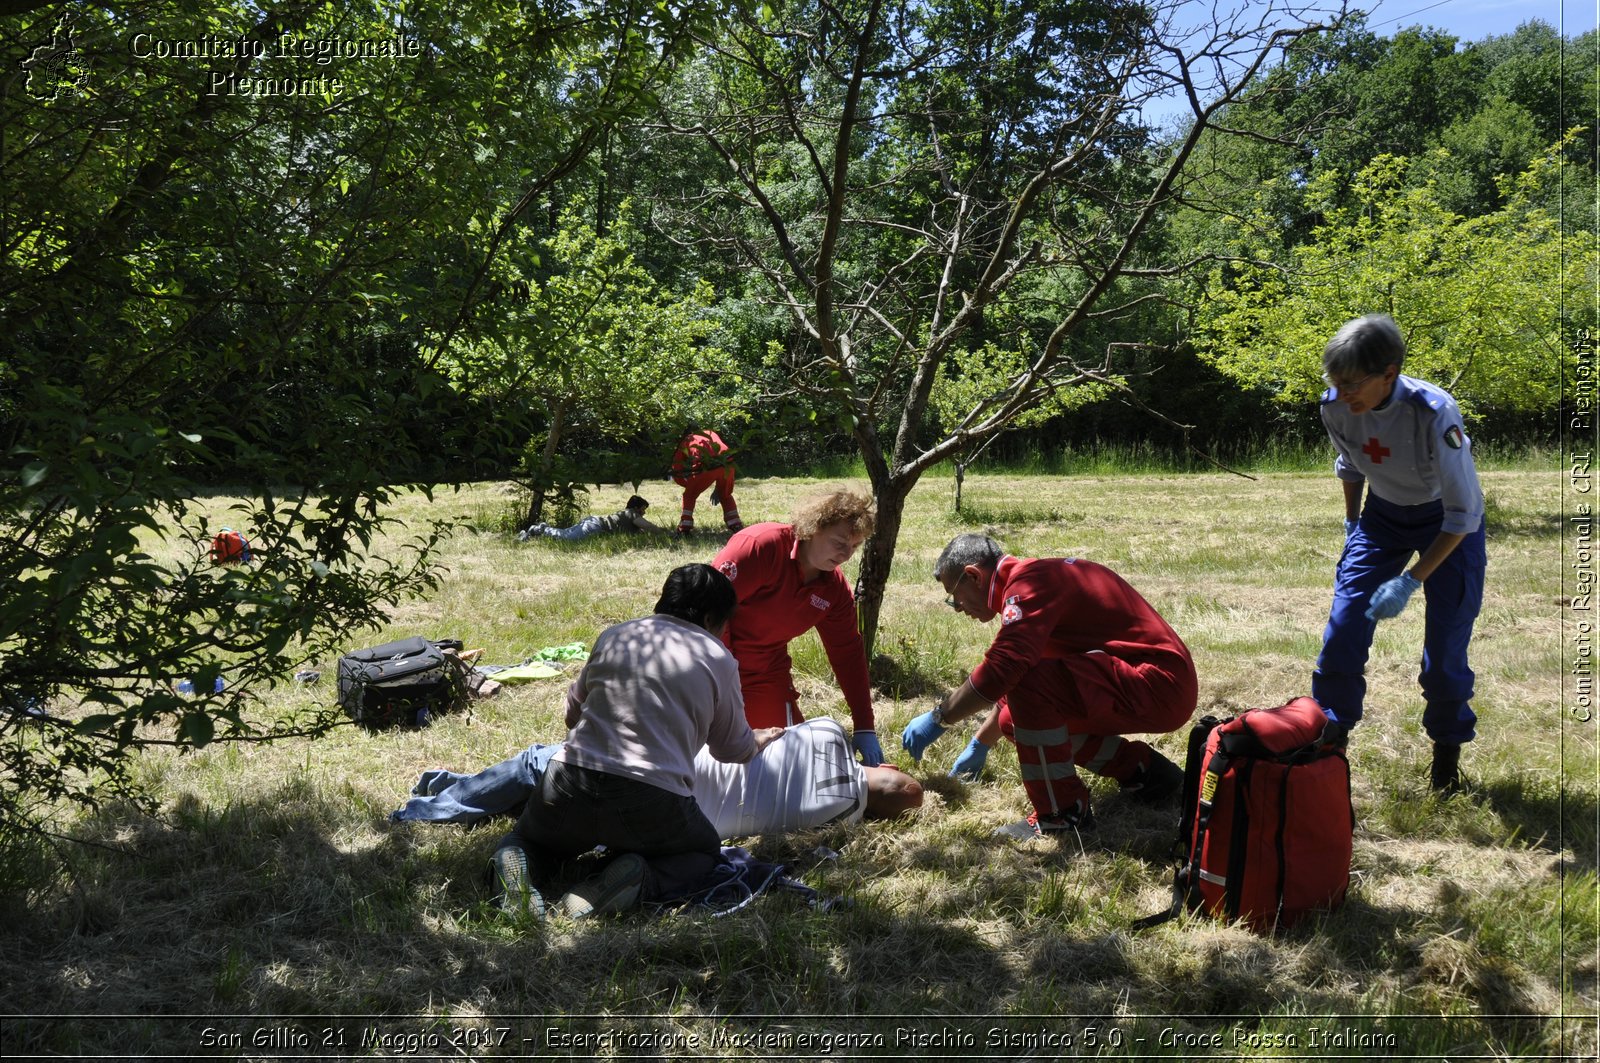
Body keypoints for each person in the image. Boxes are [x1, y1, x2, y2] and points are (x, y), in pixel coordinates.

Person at [488, 564, 783, 921]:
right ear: (710, 618)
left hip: (567, 781)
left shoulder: (616, 635)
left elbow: (571, 715)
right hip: (652, 800)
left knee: (528, 841)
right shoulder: (718, 658)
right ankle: (634, 877)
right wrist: (756, 740)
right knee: (703, 853)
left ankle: (517, 864)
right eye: (723, 626)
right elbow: (730, 749)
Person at [901, 534, 1196, 839]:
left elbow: (1006, 670)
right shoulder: (1035, 580)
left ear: (974, 576)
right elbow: (1020, 687)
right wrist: (981, 743)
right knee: (1012, 719)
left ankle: (1062, 815)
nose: (958, 607)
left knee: (1029, 684)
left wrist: (940, 718)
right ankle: (1146, 772)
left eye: (954, 595)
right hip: (1158, 684)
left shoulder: (1031, 585)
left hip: (1158, 684)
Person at [1311, 315, 1486, 793]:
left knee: (1445, 645)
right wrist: (1353, 525)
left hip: (1447, 523)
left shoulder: (1433, 412)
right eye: (1335, 382)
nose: (1343, 393)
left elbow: (1463, 514)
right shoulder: (1336, 406)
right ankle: (1329, 745)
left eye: (1352, 384)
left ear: (1388, 373)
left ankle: (1446, 762)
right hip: (1382, 517)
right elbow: (1350, 463)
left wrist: (1412, 579)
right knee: (1345, 626)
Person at [394, 718, 924, 835]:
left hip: (662, 768)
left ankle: (430, 808)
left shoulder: (829, 733)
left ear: (888, 766)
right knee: (554, 782)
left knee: (542, 759)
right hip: (675, 824)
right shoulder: (833, 822)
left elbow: (756, 734)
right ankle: (450, 785)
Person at [710, 489, 884, 765]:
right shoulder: (759, 547)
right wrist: (722, 679)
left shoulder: (833, 589)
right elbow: (708, 610)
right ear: (812, 528)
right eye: (839, 542)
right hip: (712, 668)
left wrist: (864, 724)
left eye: (855, 546)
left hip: (766, 675)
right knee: (711, 759)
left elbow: (847, 654)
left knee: (787, 761)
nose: (846, 555)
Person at [672, 426, 742, 535]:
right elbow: (717, 451)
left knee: (689, 495)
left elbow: (677, 468)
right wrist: (717, 488)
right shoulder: (710, 432)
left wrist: (688, 485)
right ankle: (735, 524)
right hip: (727, 460)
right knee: (726, 495)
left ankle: (685, 527)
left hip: (706, 463)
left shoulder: (686, 440)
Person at [518, 494, 664, 542]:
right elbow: (649, 527)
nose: (644, 513)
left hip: (592, 522)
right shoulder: (631, 513)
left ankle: (535, 532)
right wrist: (668, 534)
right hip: (594, 526)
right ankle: (541, 529)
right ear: (636, 508)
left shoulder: (627, 517)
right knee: (567, 538)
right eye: (643, 510)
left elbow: (644, 532)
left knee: (564, 534)